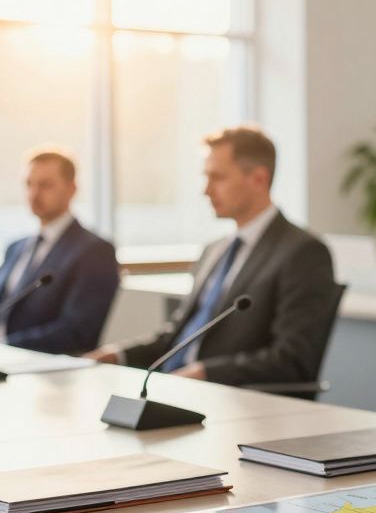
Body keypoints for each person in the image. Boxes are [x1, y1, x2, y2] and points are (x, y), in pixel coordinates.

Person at [85, 126, 337, 387]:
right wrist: (116, 354)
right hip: (171, 388)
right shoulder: (213, 251)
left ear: (259, 180)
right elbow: (178, 337)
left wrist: (204, 373)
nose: (206, 190)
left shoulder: (303, 253)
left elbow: (292, 359)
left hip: (229, 403)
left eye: (217, 178)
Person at [0, 149, 119, 355]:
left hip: (36, 369)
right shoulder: (16, 248)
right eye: (29, 184)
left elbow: (76, 332)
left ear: (71, 189)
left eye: (45, 185)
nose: (34, 194)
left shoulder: (94, 251)